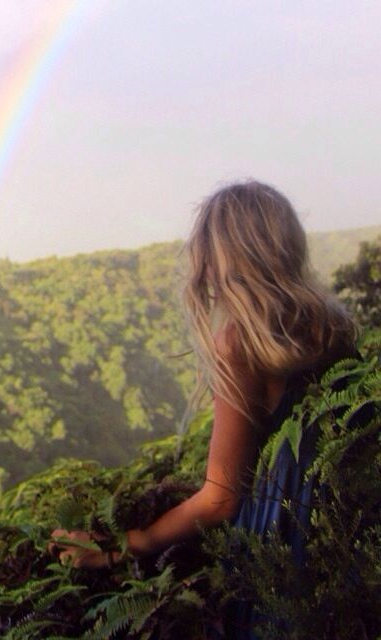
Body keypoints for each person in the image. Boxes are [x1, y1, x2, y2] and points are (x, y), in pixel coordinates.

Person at [49, 180, 357, 636]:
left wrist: (123, 546)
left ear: (224, 257)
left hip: (281, 549)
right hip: (340, 535)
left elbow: (220, 498)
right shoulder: (333, 324)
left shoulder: (239, 342)